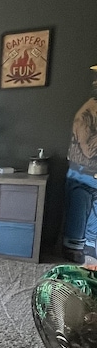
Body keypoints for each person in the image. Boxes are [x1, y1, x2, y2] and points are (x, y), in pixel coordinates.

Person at [63, 64, 97, 263]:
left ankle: (90, 254)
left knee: (94, 218)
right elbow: (88, 150)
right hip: (82, 173)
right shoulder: (85, 115)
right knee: (78, 215)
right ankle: (74, 254)